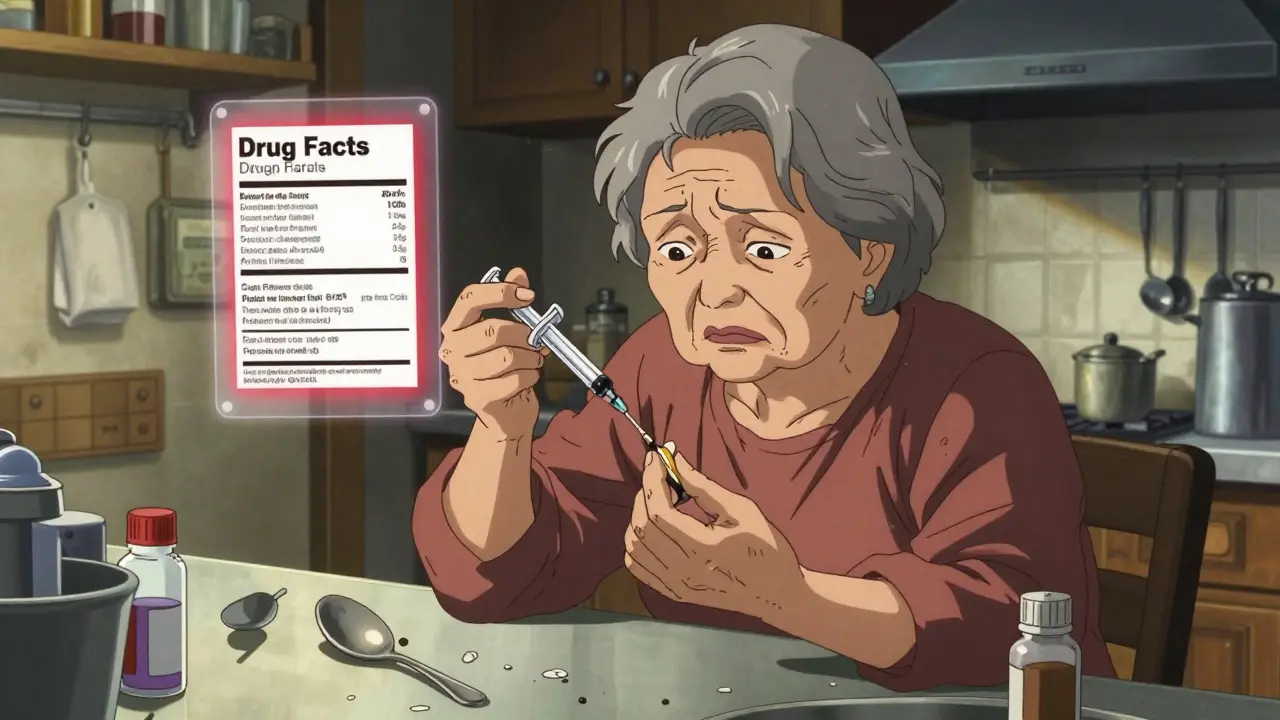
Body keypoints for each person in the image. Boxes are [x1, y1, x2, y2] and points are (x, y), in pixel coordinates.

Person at [414, 24, 1114, 691]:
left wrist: (790, 598)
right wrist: (501, 430)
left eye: (764, 248)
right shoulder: (663, 368)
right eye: (678, 249)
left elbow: (1013, 629)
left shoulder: (975, 384)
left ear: (870, 252)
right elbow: (495, 578)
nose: (715, 290)